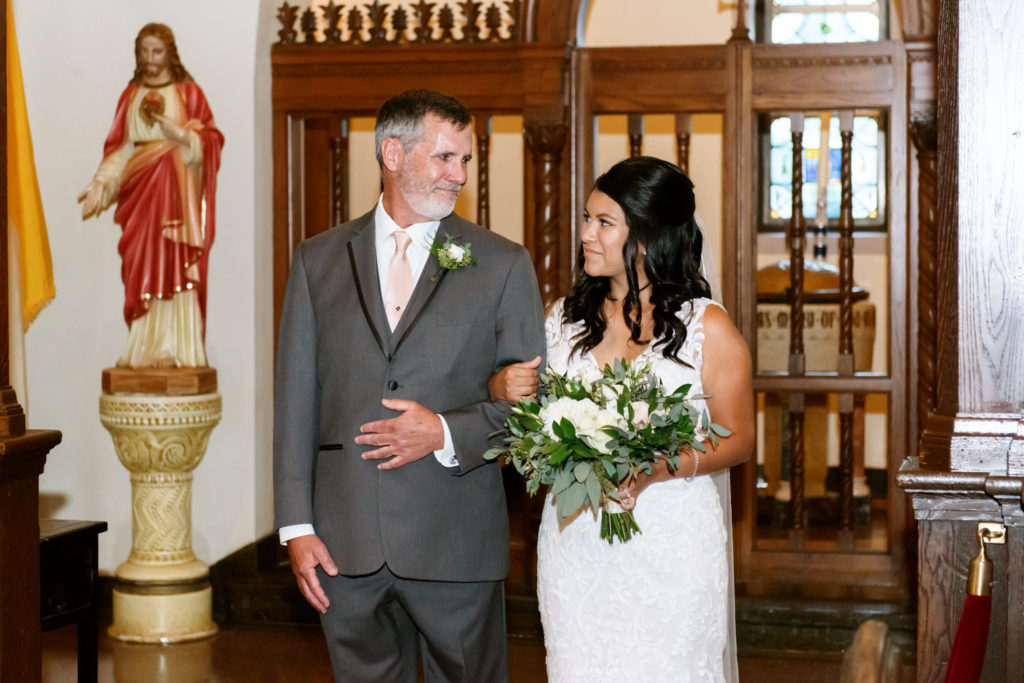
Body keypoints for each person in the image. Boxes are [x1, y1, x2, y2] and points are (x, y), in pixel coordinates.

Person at [273, 89, 545, 683]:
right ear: (392, 153)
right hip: (345, 547)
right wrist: (296, 527)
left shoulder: (501, 264)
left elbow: (535, 405)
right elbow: (296, 400)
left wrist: (446, 430)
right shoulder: (317, 260)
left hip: (456, 541)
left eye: (466, 160)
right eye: (446, 158)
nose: (460, 175)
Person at [491, 156, 754, 682]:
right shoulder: (561, 320)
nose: (586, 234)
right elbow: (527, 414)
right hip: (577, 539)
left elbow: (739, 440)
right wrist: (503, 388)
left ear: (648, 236)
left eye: (604, 223)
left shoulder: (708, 327)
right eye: (588, 218)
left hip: (671, 539)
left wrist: (656, 466)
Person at [78, 23, 223, 368]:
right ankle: (143, 349)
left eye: (156, 51)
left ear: (169, 53)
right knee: (142, 265)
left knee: (174, 265)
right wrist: (101, 182)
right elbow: (122, 149)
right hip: (142, 201)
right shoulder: (131, 95)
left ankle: (178, 350)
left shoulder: (189, 94)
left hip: (177, 200)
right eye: (144, 51)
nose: (150, 59)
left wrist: (185, 137)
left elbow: (212, 140)